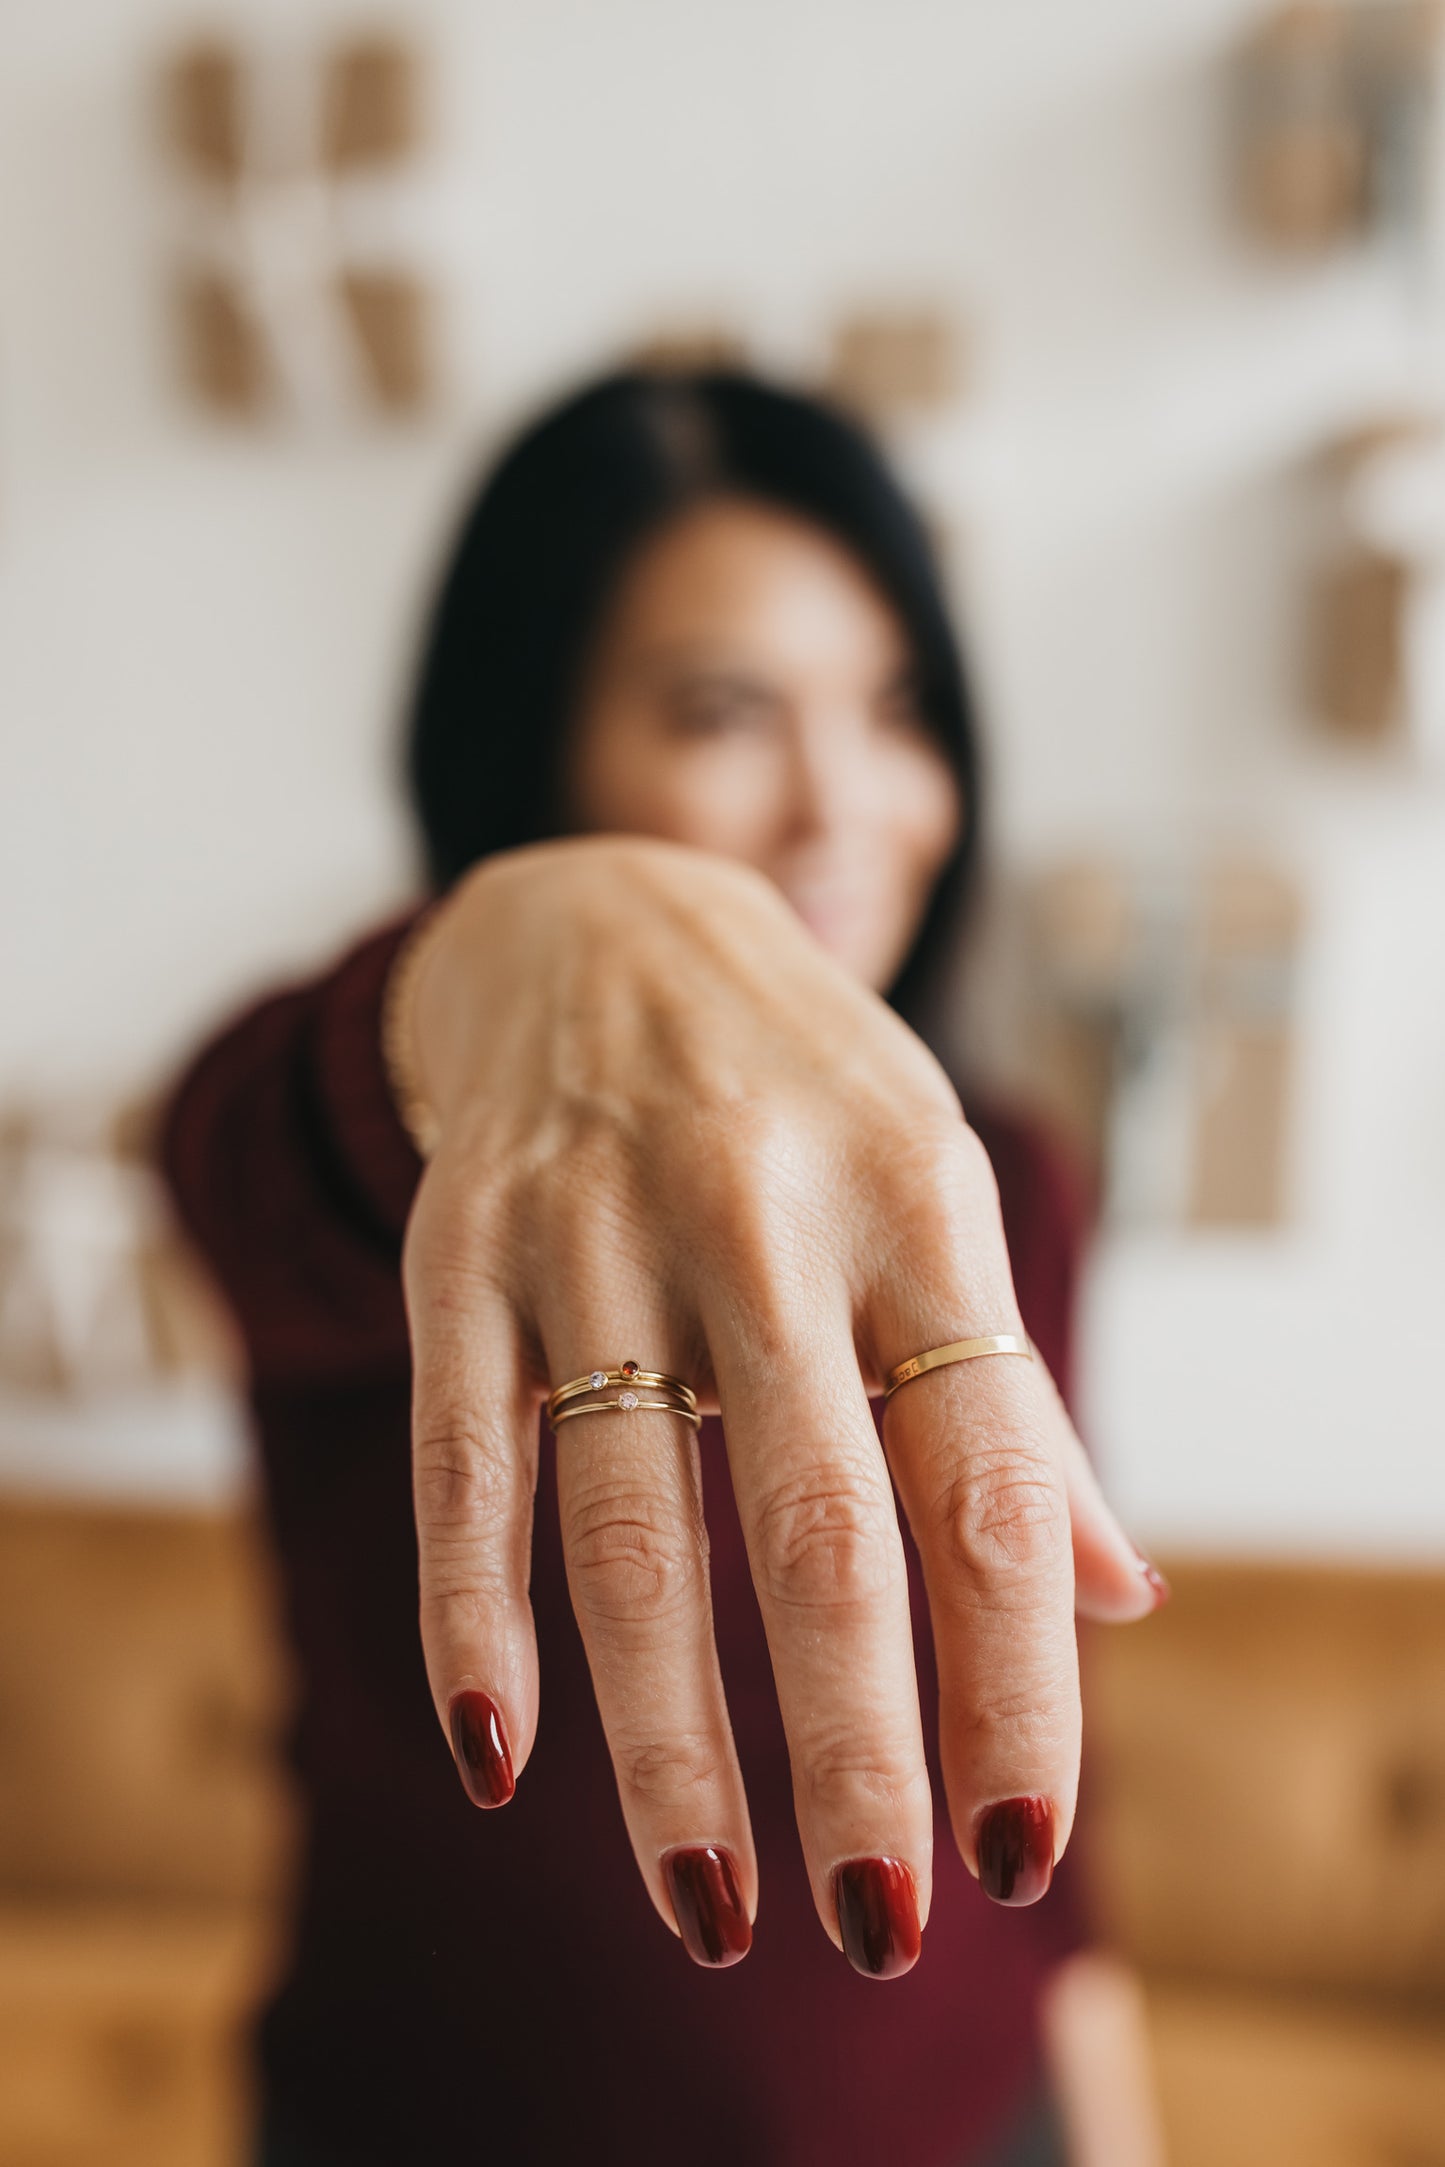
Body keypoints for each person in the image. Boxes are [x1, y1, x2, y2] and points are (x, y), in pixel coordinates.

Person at [162, 368, 1166, 2167]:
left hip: (966, 2123)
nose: (842, 803)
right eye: (723, 712)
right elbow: (243, 1154)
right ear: (530, 742)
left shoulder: (996, 1176)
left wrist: (1112, 2126)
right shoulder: (375, 1136)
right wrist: (529, 941)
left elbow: (1033, 1771)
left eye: (897, 708)